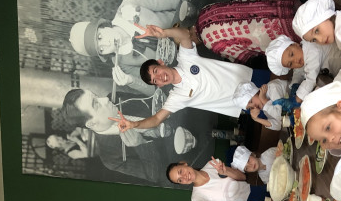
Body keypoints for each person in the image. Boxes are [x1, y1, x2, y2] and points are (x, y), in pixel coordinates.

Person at [110, 25, 263, 133]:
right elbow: (156, 119)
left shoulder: (185, 58)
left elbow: (184, 35)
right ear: (159, 86)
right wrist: (134, 124)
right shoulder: (176, 97)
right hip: (247, 103)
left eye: (156, 71)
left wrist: (164, 33)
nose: (160, 77)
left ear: (161, 62)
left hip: (250, 78)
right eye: (155, 81)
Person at [69, 0, 183, 97]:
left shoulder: (129, 5)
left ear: (103, 26)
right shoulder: (123, 65)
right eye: (101, 49)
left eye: (100, 37)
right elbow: (156, 91)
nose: (107, 43)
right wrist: (131, 80)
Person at [195, 0, 301, 63]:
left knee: (296, 43)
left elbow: (241, 56)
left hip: (266, 32)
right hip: (267, 9)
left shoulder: (209, 42)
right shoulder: (204, 10)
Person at [61, 88, 163, 148]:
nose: (105, 99)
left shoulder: (115, 98)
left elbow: (153, 98)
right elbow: (158, 174)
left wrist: (132, 81)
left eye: (97, 96)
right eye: (96, 104)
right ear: (91, 123)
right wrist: (142, 144)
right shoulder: (110, 157)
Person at [167, 157, 266, 201]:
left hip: (253, 191)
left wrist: (225, 172)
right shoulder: (196, 199)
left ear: (184, 164)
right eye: (180, 180)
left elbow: (243, 177)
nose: (184, 177)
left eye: (180, 171)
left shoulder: (212, 164)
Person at [265, 35, 341, 101]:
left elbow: (311, 79)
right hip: (335, 70)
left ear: (295, 44)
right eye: (291, 64)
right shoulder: (301, 53)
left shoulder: (311, 49)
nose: (295, 60)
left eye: (292, 54)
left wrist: (297, 99)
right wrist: (294, 84)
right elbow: (298, 71)